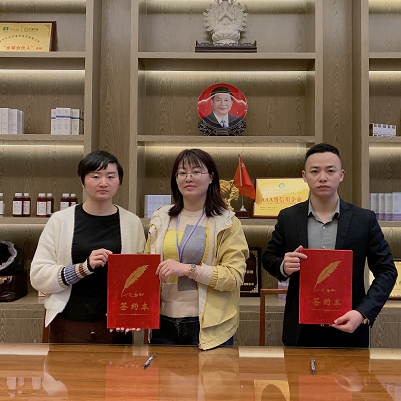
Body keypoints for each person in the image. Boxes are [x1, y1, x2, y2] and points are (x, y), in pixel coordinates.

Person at [262, 143, 397, 348]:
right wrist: (283, 266)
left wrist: (362, 313)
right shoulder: (288, 217)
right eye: (315, 171)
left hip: (349, 326)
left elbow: (387, 271)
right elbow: (269, 257)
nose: (323, 177)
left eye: (330, 171)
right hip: (300, 330)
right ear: (304, 176)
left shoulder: (363, 219)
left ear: (341, 175)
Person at [30, 150, 146, 344]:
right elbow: (38, 276)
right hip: (69, 322)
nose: (103, 182)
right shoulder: (60, 220)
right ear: (82, 181)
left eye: (111, 176)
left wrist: (134, 313)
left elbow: (141, 275)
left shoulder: (132, 223)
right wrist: (83, 268)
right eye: (95, 176)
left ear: (119, 181)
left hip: (116, 327)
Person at [145, 148, 248, 350]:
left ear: (211, 178)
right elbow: (146, 267)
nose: (188, 178)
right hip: (162, 323)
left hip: (207, 326)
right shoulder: (161, 218)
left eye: (196, 172)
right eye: (182, 173)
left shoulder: (226, 222)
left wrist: (187, 269)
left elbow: (234, 276)